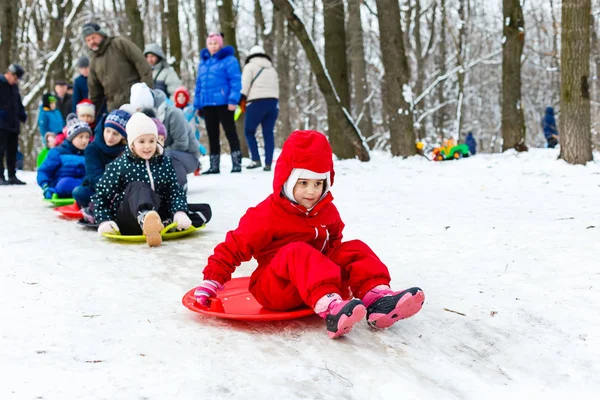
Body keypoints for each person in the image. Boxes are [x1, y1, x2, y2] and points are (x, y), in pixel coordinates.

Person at [193, 130, 425, 339]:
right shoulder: (266, 214)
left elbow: (334, 245)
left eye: (318, 183)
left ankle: (377, 300)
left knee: (354, 247)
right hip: (275, 287)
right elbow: (235, 245)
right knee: (297, 250)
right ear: (286, 180)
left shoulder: (327, 211)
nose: (312, 191)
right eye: (303, 182)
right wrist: (213, 278)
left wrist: (342, 265)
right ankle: (332, 310)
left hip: (312, 284)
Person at [91, 112, 192, 247]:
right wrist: (104, 220)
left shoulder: (164, 163)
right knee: (139, 187)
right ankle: (146, 218)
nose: (147, 146)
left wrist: (179, 212)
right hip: (129, 219)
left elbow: (174, 190)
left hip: (158, 215)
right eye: (141, 141)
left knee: (202, 210)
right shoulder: (121, 165)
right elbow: (101, 195)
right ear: (132, 143)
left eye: (151, 141)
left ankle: (162, 223)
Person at [130, 83, 201, 189]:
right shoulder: (142, 119)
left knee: (167, 156)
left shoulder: (173, 114)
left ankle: (179, 185)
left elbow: (181, 144)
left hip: (187, 156)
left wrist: (155, 153)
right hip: (162, 152)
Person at [194, 32, 242, 174]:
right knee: (212, 134)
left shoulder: (229, 60)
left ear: (220, 45)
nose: (213, 46)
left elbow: (235, 80)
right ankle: (214, 165)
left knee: (230, 132)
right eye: (210, 44)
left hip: (224, 103)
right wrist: (198, 104)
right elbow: (199, 85)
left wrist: (233, 100)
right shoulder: (204, 62)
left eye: (215, 43)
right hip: (208, 104)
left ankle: (236, 163)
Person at [81, 22, 153, 115]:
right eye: (88, 40)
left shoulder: (119, 44)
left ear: (101, 35)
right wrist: (90, 114)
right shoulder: (94, 62)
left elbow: (143, 66)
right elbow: (95, 93)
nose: (91, 42)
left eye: (93, 37)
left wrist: (147, 91)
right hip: (114, 109)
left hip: (135, 103)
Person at [73, 109, 130, 209]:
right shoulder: (92, 149)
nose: (109, 137)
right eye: (107, 131)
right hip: (97, 189)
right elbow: (94, 175)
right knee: (79, 192)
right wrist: (110, 192)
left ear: (123, 136)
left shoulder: (127, 151)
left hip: (120, 193)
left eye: (115, 134)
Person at [240, 45, 279, 172]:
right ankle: (268, 163)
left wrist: (241, 99)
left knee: (249, 131)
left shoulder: (249, 66)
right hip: (273, 102)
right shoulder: (272, 69)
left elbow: (244, 85)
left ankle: (256, 159)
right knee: (268, 132)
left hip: (256, 102)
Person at [37, 114, 91, 199]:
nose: (84, 140)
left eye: (87, 137)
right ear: (71, 137)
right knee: (65, 183)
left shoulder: (90, 153)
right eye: (80, 137)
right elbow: (44, 171)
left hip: (83, 184)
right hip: (63, 186)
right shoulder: (58, 152)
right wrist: (45, 186)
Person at [0, 63, 27, 185]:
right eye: (15, 78)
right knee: (0, 150)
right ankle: (0, 176)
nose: (16, 81)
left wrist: (22, 113)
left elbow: (18, 102)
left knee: (12, 151)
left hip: (13, 124)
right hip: (1, 124)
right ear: (9, 74)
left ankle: (12, 175)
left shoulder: (14, 87)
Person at [174, 86, 207, 158]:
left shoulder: (192, 109)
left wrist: (202, 112)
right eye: (179, 96)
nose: (181, 98)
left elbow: (201, 121)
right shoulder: (173, 110)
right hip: (178, 140)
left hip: (192, 139)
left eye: (183, 96)